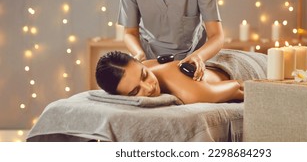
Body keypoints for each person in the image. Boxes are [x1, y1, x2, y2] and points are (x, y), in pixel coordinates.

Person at [95, 51, 249, 104]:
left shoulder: (190, 93)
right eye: (135, 92)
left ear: (140, 63)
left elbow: (240, 86)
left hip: (239, 63)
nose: (149, 88)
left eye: (145, 74)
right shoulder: (143, 65)